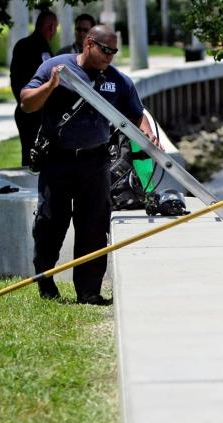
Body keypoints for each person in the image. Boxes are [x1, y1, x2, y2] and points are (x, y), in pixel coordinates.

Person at [19, 24, 159, 305]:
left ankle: (89, 291)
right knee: (50, 223)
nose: (110, 56)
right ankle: (45, 282)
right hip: (57, 160)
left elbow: (135, 112)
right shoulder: (57, 68)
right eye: (105, 49)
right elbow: (26, 103)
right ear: (89, 43)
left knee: (94, 226)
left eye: (114, 51)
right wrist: (50, 87)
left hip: (95, 161)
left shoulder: (117, 80)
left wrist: (147, 133)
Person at [10, 10, 57, 166]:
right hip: (37, 113)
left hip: (25, 108)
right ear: (50, 27)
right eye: (54, 27)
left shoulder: (21, 45)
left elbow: (14, 79)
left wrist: (22, 101)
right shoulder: (42, 49)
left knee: (28, 153)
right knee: (38, 155)